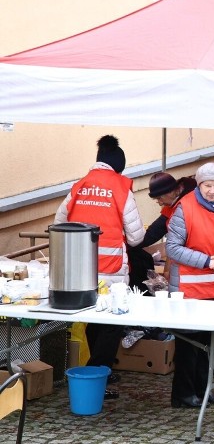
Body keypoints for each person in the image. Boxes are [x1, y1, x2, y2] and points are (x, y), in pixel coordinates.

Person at [54, 134, 144, 399]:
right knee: (113, 322)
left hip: (78, 268)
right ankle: (97, 373)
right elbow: (137, 237)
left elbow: (59, 223)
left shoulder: (79, 186)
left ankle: (99, 369)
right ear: (119, 165)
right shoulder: (120, 188)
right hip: (111, 267)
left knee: (93, 318)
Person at [166, 162, 214, 409]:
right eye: (207, 185)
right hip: (190, 290)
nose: (212, 190)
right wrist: (207, 261)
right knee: (189, 346)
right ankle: (183, 394)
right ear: (199, 185)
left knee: (208, 344)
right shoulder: (185, 208)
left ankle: (204, 390)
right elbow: (173, 248)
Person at [129, 172, 196, 291]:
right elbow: (154, 232)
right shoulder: (173, 203)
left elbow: (178, 243)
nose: (159, 203)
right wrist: (129, 243)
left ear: (172, 191)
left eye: (160, 198)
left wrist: (167, 270)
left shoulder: (191, 202)